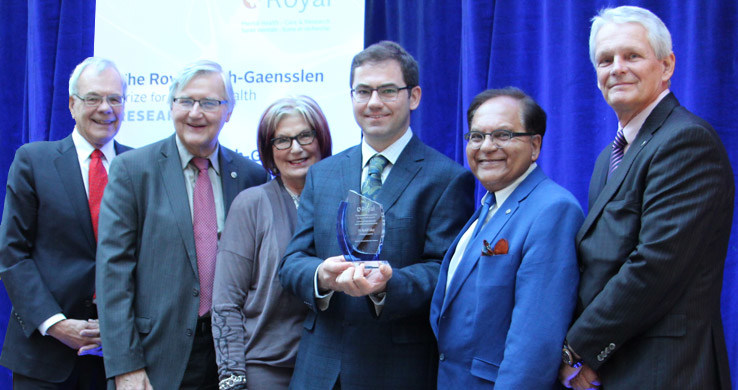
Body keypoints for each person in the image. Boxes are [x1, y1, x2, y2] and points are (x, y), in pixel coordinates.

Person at [279, 40, 475, 389]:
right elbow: (293, 261)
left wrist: (388, 284)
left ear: (413, 96)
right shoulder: (322, 174)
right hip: (319, 370)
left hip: (395, 370)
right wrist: (321, 275)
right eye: (363, 91)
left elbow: (442, 273)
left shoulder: (446, 179)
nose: (373, 102)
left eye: (387, 91)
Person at [559, 6, 734, 389]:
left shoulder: (686, 141)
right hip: (620, 364)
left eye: (632, 55)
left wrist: (577, 348)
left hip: (667, 370)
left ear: (667, 65)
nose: (616, 68)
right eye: (606, 60)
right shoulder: (610, 156)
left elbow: (654, 266)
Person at [96, 60, 268, 390]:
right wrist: (125, 365)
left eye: (208, 103)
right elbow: (112, 274)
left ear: (228, 111)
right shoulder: (132, 170)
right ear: (171, 106)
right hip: (155, 356)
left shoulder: (250, 176)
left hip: (232, 354)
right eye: (185, 101)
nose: (195, 113)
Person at [430, 87, 583, 389]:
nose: (486, 147)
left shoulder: (552, 210)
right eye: (476, 136)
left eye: (502, 135)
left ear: (535, 145)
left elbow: (534, 345)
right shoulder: (490, 204)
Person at [0, 57, 130, 388]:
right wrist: (56, 324)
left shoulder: (140, 167)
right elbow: (12, 253)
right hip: (45, 357)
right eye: (93, 98)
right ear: (72, 105)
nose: (106, 108)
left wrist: (122, 325)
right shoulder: (34, 160)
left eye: (115, 98)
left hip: (120, 357)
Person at [211, 95, 332, 390]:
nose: (296, 148)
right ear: (268, 150)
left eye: (305, 135)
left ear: (322, 140)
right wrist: (232, 378)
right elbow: (226, 302)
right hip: (266, 370)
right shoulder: (251, 204)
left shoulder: (344, 201)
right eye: (282, 140)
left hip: (329, 370)